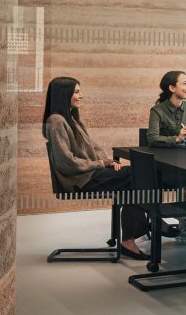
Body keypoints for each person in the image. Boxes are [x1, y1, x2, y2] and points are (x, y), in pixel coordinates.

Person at [43, 76, 150, 260]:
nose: (81, 95)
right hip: (80, 181)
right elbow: (66, 162)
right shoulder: (56, 121)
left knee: (136, 178)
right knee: (137, 176)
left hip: (89, 175)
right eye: (76, 92)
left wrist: (109, 162)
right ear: (64, 94)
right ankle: (142, 230)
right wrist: (101, 164)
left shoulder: (70, 118)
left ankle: (135, 234)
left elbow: (93, 147)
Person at [148, 70, 186, 147]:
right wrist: (177, 138)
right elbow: (152, 139)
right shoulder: (156, 111)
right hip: (164, 156)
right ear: (172, 88)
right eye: (185, 83)